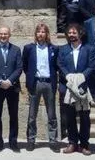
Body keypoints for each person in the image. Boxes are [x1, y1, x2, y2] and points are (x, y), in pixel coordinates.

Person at [58, 23, 95, 155]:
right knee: (70, 117)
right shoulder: (63, 49)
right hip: (68, 87)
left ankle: (84, 144)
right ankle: (72, 143)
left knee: (85, 117)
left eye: (74, 32)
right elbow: (60, 64)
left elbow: (92, 65)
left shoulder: (89, 49)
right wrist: (68, 76)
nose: (71, 35)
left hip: (83, 87)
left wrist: (81, 77)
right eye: (69, 33)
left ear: (80, 34)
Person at [22, 23, 59, 152]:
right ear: (35, 34)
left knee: (52, 114)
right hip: (35, 83)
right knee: (32, 115)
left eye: (43, 32)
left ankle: (53, 140)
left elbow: (57, 66)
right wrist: (30, 78)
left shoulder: (54, 49)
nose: (40, 34)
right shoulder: (29, 48)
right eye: (38, 32)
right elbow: (25, 66)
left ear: (47, 34)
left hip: (49, 83)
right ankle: (31, 140)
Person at [0, 25, 21, 152]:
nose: (3, 36)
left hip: (13, 87)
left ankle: (13, 142)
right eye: (1, 34)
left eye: (5, 34)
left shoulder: (16, 49)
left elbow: (19, 68)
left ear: (9, 35)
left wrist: (10, 81)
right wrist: (0, 81)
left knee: (13, 115)